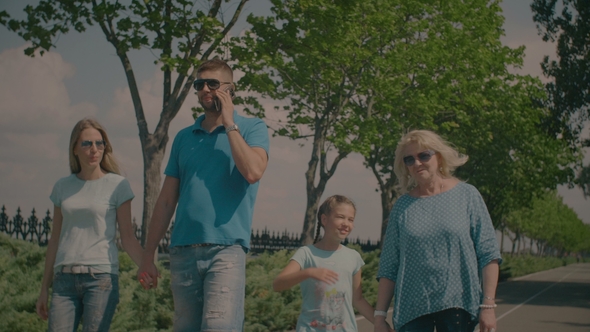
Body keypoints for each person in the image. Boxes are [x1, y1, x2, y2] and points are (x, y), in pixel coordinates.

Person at [137, 58, 270, 331]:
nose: (206, 89)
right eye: (200, 84)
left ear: (231, 89)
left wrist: (229, 123)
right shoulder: (184, 138)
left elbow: (254, 171)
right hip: (183, 251)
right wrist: (148, 255)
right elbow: (165, 201)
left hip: (227, 251)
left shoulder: (251, 128)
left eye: (213, 83)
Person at [373, 130, 501, 332]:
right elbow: (389, 266)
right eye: (409, 159)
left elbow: (488, 254)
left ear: (439, 156)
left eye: (424, 155)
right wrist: (379, 317)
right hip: (411, 312)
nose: (417, 163)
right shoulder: (402, 207)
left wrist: (488, 306)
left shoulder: (468, 196)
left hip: (457, 306)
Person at [36, 118, 144, 332]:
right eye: (87, 144)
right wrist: (43, 289)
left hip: (101, 280)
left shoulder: (118, 185)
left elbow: (128, 238)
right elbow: (55, 239)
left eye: (99, 143)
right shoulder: (62, 187)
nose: (94, 149)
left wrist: (147, 265)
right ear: (75, 148)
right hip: (64, 281)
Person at [273, 195, 392, 331]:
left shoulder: (353, 257)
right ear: (324, 219)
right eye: (340, 217)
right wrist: (308, 272)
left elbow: (357, 300)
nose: (346, 223)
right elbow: (278, 284)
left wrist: (381, 324)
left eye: (350, 219)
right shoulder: (306, 254)